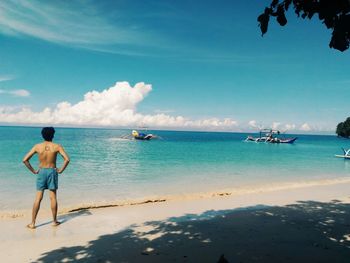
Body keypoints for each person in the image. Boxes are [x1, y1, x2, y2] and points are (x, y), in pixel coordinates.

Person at [23, 127, 70, 229]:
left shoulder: (37, 146)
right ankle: (54, 221)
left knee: (38, 198)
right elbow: (67, 159)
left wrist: (34, 171)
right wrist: (61, 170)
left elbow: (25, 160)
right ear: (53, 135)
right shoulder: (57, 146)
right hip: (52, 171)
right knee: (53, 197)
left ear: (42, 135)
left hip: (41, 171)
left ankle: (32, 223)